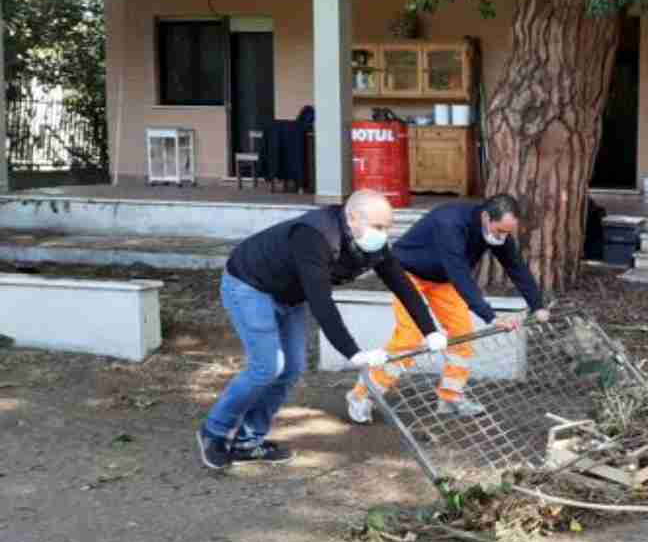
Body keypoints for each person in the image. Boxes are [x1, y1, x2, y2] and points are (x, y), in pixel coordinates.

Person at [196, 190, 444, 470]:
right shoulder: (315, 236)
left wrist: (430, 330)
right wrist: (353, 353)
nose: (383, 234)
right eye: (378, 227)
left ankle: (248, 441)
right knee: (267, 367)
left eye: (388, 227)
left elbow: (402, 285)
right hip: (249, 286)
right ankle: (213, 432)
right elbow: (322, 303)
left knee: (292, 368)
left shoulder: (371, 244)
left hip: (287, 295)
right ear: (352, 218)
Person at [345, 194, 549, 422]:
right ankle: (362, 395)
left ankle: (450, 397)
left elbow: (516, 266)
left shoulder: (495, 232)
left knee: (462, 334)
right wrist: (491, 316)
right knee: (410, 339)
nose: (503, 237)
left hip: (441, 279)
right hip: (407, 273)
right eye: (500, 231)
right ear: (485, 217)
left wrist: (537, 305)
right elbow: (459, 274)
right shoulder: (450, 223)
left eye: (507, 233)